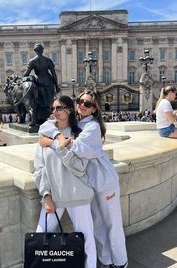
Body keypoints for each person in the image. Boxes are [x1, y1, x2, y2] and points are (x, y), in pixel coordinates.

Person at [39, 90, 128, 268]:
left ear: (95, 109)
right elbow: (47, 127)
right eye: (80, 101)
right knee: (98, 226)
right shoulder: (78, 123)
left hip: (103, 181)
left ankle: (120, 262)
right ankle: (106, 261)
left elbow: (78, 147)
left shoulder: (93, 126)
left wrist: (52, 142)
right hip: (88, 183)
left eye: (88, 104)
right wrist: (57, 136)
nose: (82, 105)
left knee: (112, 224)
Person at [33, 95, 97, 268]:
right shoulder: (44, 133)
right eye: (53, 108)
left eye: (59, 108)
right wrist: (46, 195)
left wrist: (57, 147)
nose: (55, 112)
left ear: (69, 110)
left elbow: (79, 167)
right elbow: (39, 168)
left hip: (78, 195)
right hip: (54, 197)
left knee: (87, 240)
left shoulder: (78, 135)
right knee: (40, 237)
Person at [24, 43, 60, 124]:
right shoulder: (48, 60)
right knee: (48, 102)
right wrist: (57, 86)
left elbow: (26, 74)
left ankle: (38, 120)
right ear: (42, 50)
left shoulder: (32, 61)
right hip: (49, 82)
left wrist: (32, 77)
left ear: (35, 51)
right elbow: (54, 74)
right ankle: (48, 119)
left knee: (38, 102)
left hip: (39, 82)